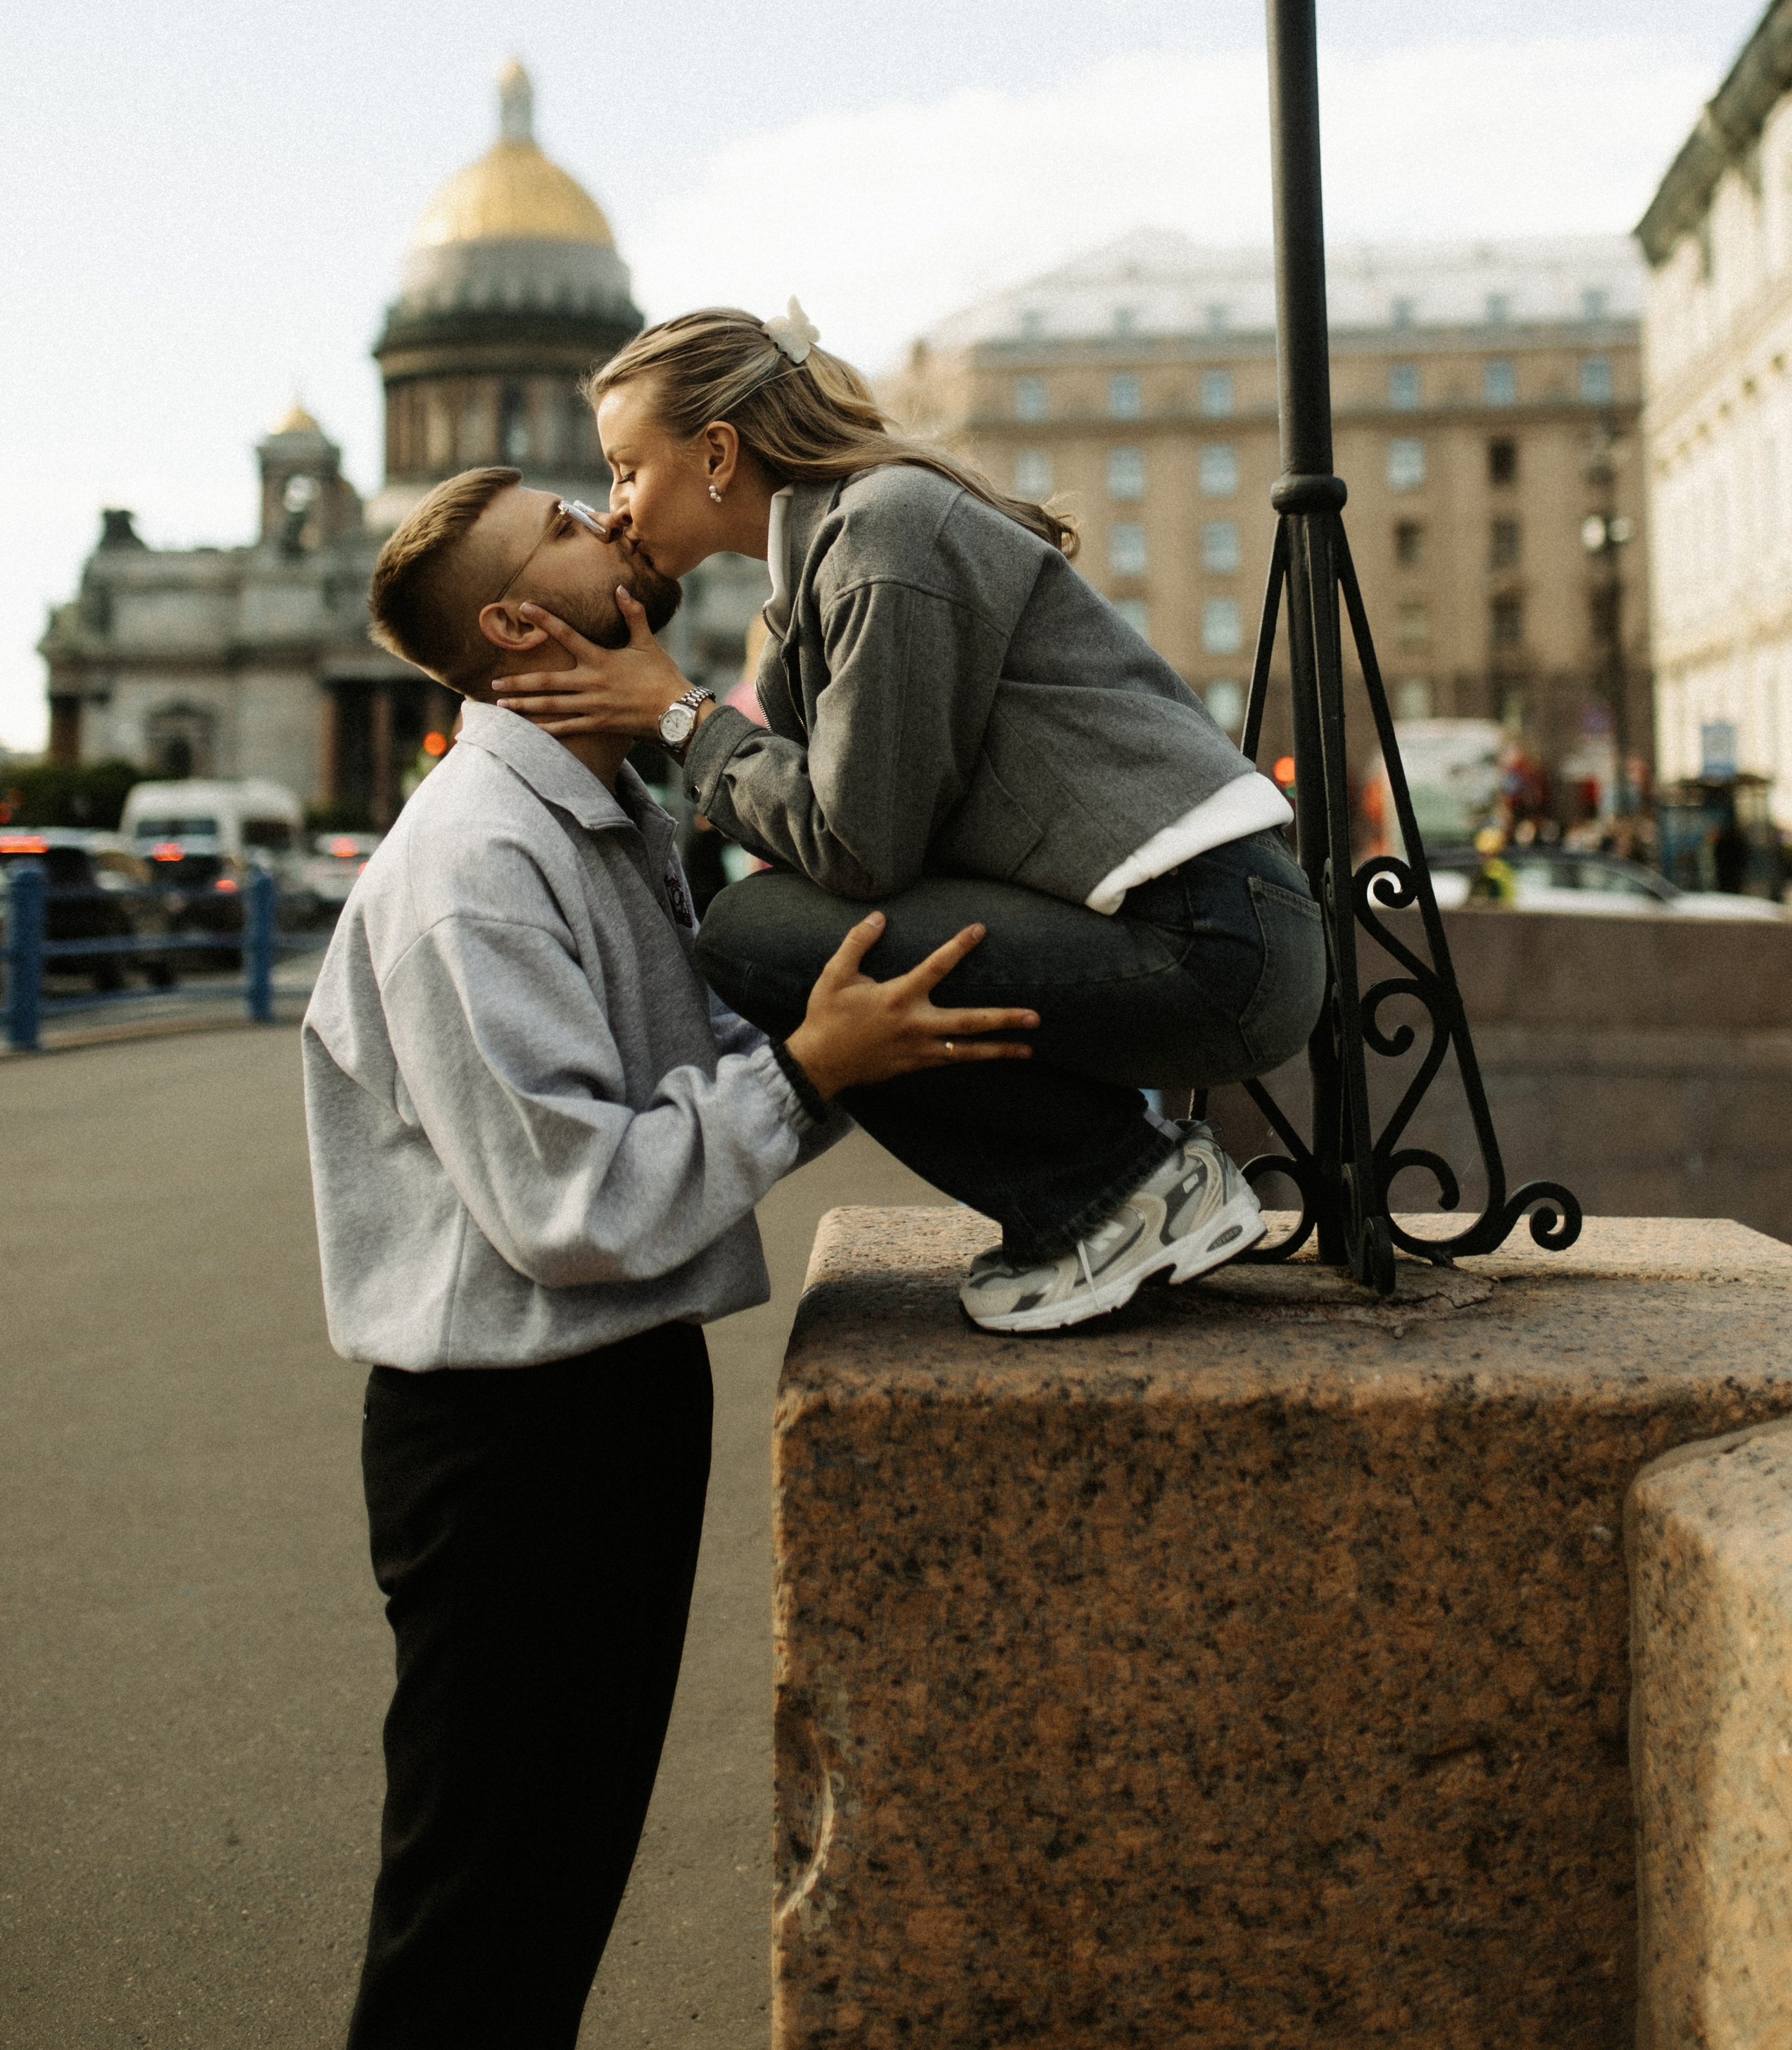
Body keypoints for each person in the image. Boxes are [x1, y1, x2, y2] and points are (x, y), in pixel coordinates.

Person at [301, 465, 1035, 2050]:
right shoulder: (473, 866)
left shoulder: (608, 805)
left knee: (550, 1888)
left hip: (604, 1399)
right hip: (507, 1439)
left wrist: (834, 1039)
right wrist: (806, 1072)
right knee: (479, 1914)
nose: (611, 528)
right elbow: (572, 1205)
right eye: (567, 527)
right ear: (511, 623)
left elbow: (689, 1067)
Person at [490, 300, 1327, 1338]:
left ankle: (1118, 1192)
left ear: (715, 451)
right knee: (784, 934)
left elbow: (859, 848)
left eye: (625, 468)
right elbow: (846, 830)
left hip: (1215, 938)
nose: (614, 508)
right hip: (1191, 926)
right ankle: (1116, 1187)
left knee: (761, 940)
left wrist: (678, 716)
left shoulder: (880, 531)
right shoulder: (822, 571)